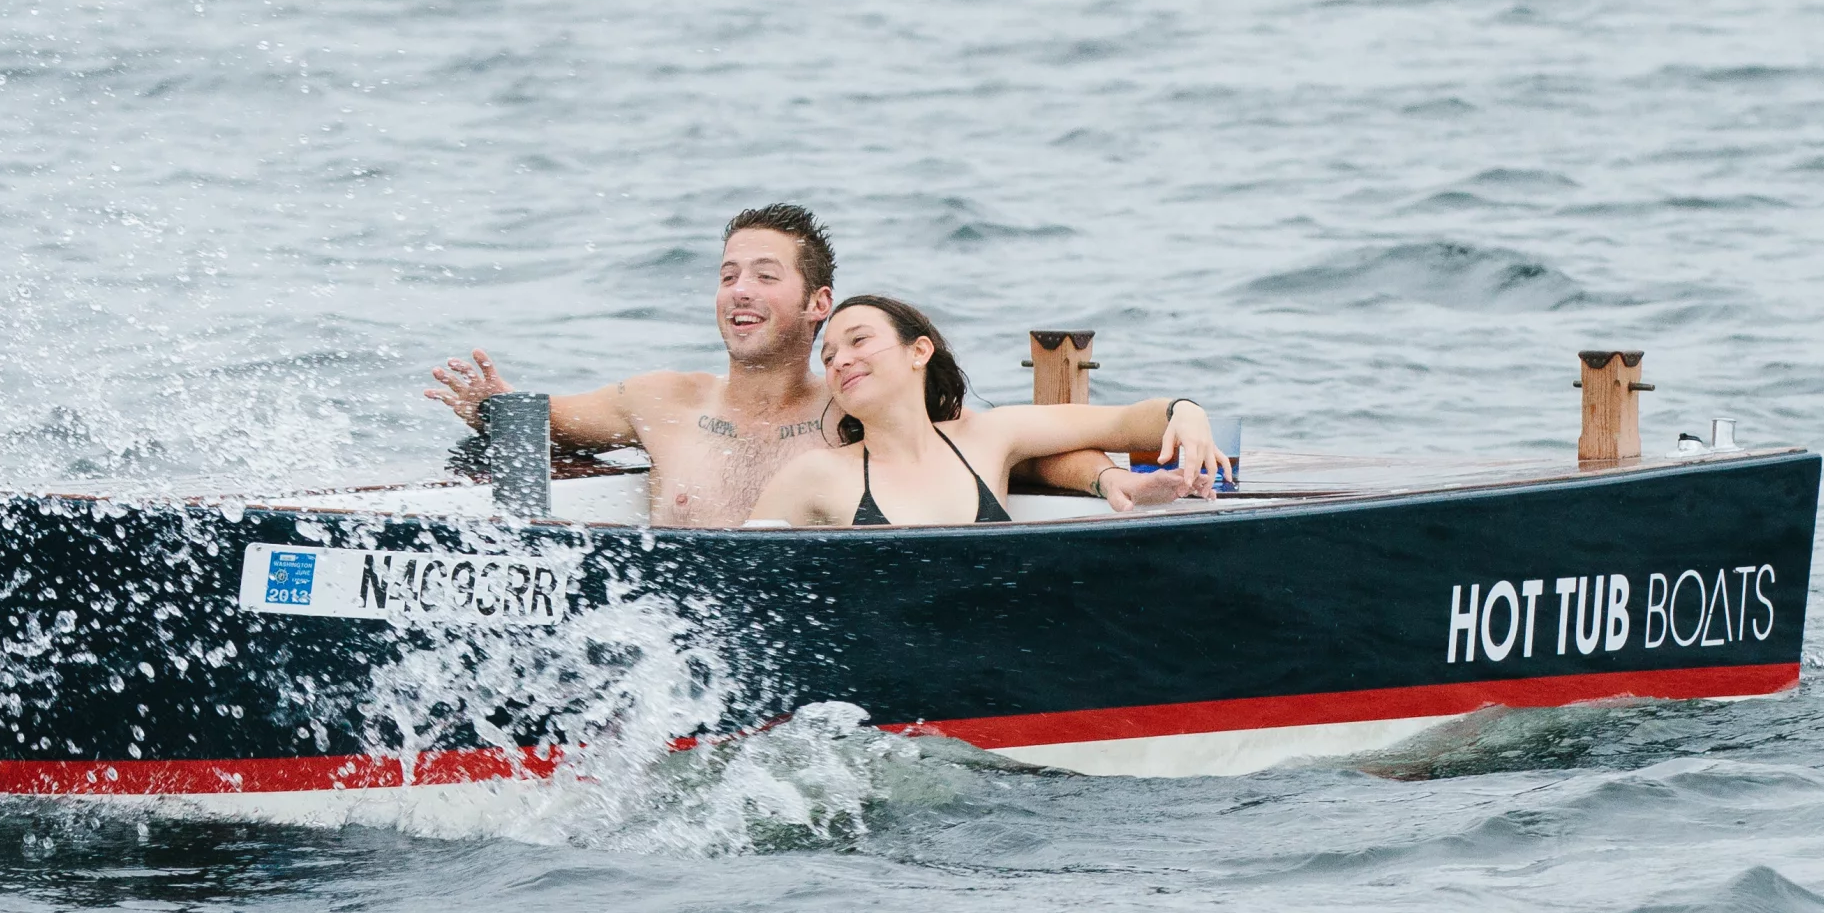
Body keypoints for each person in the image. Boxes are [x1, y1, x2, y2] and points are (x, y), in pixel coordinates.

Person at [424, 205, 1137, 529]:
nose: (740, 289)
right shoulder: (660, 400)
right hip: (670, 641)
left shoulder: (854, 409)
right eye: (729, 274)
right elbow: (547, 427)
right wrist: (494, 409)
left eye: (766, 276)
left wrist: (1103, 477)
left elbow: (1008, 454)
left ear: (817, 303)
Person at [745, 294, 1225, 528]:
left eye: (858, 341)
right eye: (828, 357)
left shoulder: (989, 437)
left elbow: (1119, 423)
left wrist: (1184, 412)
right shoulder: (812, 475)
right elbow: (736, 580)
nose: (840, 360)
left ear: (919, 352)